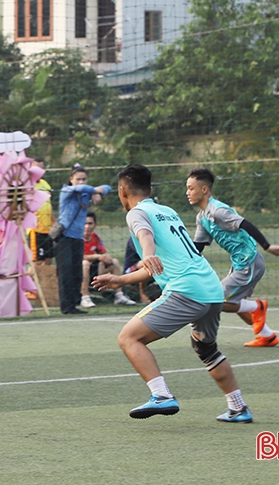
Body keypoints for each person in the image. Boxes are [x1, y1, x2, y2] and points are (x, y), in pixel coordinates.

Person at [93, 164, 253, 423]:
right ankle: (238, 407)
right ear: (151, 188)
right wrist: (121, 279)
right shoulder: (167, 211)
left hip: (186, 290)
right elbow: (159, 265)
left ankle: (161, 395)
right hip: (211, 289)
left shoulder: (136, 213)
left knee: (129, 338)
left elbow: (146, 239)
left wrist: (147, 252)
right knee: (206, 348)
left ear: (122, 190)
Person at [186, 168, 279, 347]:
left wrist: (268, 246)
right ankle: (267, 336)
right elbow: (198, 247)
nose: (187, 193)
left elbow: (245, 224)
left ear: (204, 189)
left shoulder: (218, 211)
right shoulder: (202, 217)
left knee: (215, 299)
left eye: (191, 188)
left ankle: (258, 307)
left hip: (250, 261)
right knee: (234, 300)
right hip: (240, 262)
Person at [49, 164, 110, 314]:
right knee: (65, 272)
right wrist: (95, 191)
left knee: (77, 272)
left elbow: (108, 187)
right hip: (64, 237)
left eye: (84, 179)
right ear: (71, 179)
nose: (81, 182)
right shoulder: (67, 190)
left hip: (78, 238)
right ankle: (66, 306)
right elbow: (81, 189)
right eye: (78, 179)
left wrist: (98, 192)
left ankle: (74, 303)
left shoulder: (85, 192)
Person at [80, 212, 136, 308]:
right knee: (85, 263)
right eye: (85, 223)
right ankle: (85, 297)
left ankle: (119, 295)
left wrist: (107, 257)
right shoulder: (78, 238)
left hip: (96, 269)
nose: (87, 226)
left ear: (95, 224)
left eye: (90, 223)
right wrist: (96, 256)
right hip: (81, 270)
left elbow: (103, 252)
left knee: (114, 262)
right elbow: (78, 257)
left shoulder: (95, 237)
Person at [28, 159, 54, 262]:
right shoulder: (27, 184)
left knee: (49, 259)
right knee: (37, 261)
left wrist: (53, 221)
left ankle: (45, 279)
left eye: (42, 168)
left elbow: (49, 205)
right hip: (36, 229)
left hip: (48, 229)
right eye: (37, 168)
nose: (40, 171)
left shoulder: (45, 184)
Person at [123, 237, 152, 305]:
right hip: (130, 271)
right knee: (144, 263)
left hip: (149, 272)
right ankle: (142, 294)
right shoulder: (134, 238)